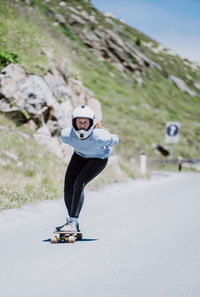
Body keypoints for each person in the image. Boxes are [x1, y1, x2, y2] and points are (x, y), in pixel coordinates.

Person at [56, 105, 119, 232]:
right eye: (79, 122)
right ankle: (72, 221)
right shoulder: (66, 135)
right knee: (68, 187)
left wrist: (109, 140)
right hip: (79, 157)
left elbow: (115, 139)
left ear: (92, 123)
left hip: (98, 159)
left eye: (86, 122)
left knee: (79, 183)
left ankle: (73, 222)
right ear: (74, 122)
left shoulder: (101, 137)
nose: (83, 125)